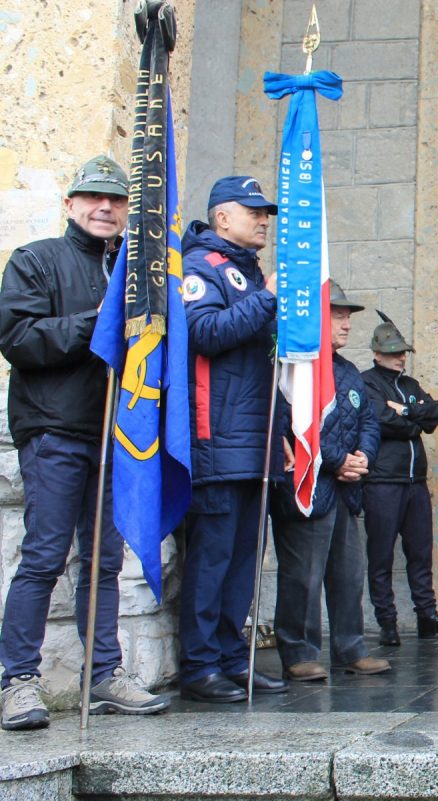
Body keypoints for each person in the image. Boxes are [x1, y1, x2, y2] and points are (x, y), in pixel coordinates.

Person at [0, 156, 170, 730]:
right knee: (45, 556)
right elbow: (18, 338)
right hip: (55, 430)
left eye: (118, 201)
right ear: (70, 205)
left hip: (115, 436)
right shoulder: (35, 261)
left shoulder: (136, 272)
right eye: (94, 198)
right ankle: (18, 681)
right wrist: (95, 323)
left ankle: (103, 673)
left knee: (103, 561)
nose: (106, 208)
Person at [178, 175, 285, 703]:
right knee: (212, 560)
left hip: (253, 443)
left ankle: (230, 659)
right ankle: (198, 666)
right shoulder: (200, 267)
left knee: (243, 561)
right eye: (253, 211)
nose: (263, 219)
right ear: (222, 217)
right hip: (214, 440)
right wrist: (266, 300)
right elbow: (205, 334)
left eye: (266, 212)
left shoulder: (248, 272)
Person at [271, 283, 387, 680]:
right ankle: (299, 653)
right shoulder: (293, 368)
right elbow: (293, 426)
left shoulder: (348, 370)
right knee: (302, 577)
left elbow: (369, 420)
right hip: (306, 488)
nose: (347, 324)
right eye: (338, 314)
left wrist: (363, 457)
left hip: (344, 490)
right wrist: (337, 460)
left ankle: (350, 648)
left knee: (348, 574)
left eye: (348, 316)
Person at [360, 312, 438, 646]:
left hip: (414, 483)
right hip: (382, 482)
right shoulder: (366, 382)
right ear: (377, 353)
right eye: (394, 353)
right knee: (380, 556)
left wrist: (406, 411)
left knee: (421, 553)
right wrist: (412, 422)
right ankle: (388, 623)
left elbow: (434, 413)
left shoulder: (409, 387)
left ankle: (427, 616)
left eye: (403, 352)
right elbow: (380, 420)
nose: (400, 358)